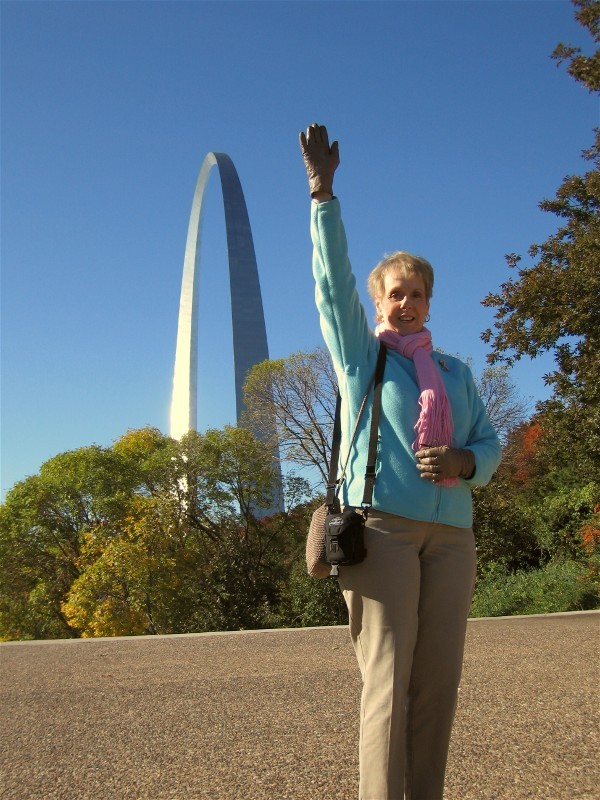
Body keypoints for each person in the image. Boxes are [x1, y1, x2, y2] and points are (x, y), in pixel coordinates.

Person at [299, 123, 502, 800]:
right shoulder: (366, 359)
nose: (407, 302)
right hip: (383, 530)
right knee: (387, 680)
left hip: (453, 537)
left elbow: (490, 442)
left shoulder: (453, 372)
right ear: (380, 300)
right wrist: (322, 196)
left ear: (429, 301)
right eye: (395, 293)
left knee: (438, 684)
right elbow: (331, 292)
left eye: (417, 293)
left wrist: (466, 461)